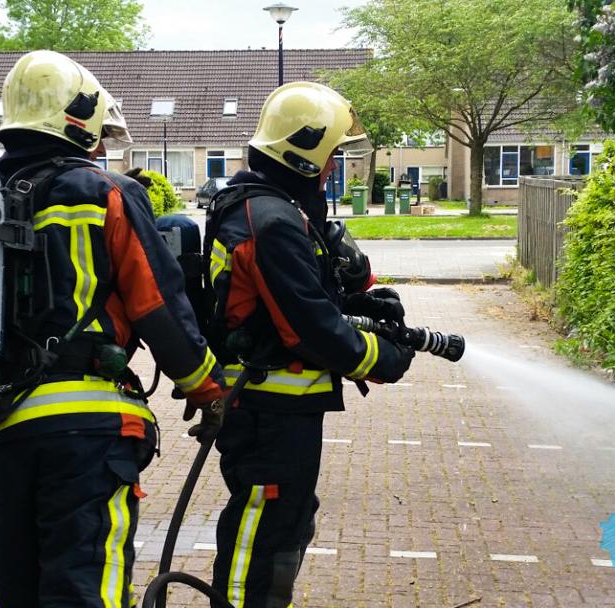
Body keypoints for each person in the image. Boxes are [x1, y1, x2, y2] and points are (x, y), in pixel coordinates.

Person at [0, 50, 225, 607]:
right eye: (99, 137)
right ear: (78, 122)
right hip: (90, 437)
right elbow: (159, 306)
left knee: (17, 592)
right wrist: (208, 389)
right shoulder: (107, 192)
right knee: (85, 590)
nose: (101, 149)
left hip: (3, 429)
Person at [204, 81, 415, 608]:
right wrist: (382, 359)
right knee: (263, 526)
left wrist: (362, 306)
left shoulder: (270, 210)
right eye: (330, 155)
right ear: (304, 155)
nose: (332, 168)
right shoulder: (271, 220)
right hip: (268, 407)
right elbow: (309, 327)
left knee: (288, 520)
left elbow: (297, 300)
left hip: (279, 407)